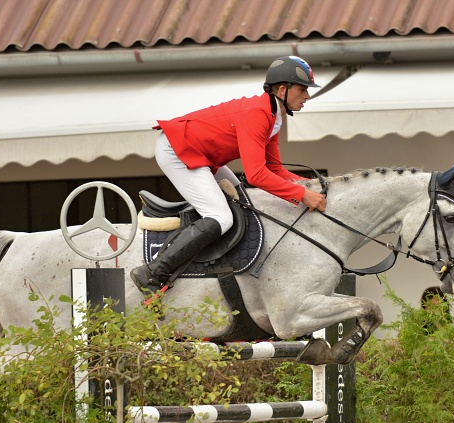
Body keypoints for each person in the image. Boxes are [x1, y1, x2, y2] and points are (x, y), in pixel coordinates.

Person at [130, 55, 328, 292]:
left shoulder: (274, 117)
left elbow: (274, 169)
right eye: (303, 89)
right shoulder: (258, 113)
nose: (307, 96)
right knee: (221, 217)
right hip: (177, 150)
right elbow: (255, 175)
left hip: (202, 156)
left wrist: (313, 185)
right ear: (283, 89)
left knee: (246, 202)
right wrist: (302, 195)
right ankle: (152, 272)